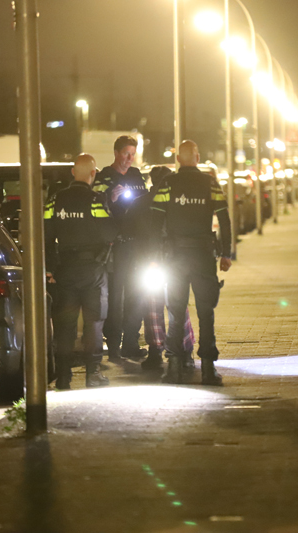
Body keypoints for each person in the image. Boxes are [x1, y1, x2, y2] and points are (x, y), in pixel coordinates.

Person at [151, 141, 232, 385]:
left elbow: (155, 220)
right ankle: (208, 369)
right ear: (197, 157)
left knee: (175, 311)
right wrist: (226, 253)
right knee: (206, 312)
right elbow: (225, 219)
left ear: (177, 159)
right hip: (203, 255)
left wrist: (155, 256)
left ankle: (173, 368)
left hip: (174, 257)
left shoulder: (167, 183)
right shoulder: (210, 183)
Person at [45, 154, 120, 389]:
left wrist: (49, 269)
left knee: (65, 324)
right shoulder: (96, 200)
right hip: (92, 271)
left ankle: (64, 376)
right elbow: (109, 234)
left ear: (72, 173)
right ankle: (92, 373)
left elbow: (45, 236)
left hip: (64, 270)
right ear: (93, 174)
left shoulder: (55, 200)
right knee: (94, 322)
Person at [127, 165, 197, 374]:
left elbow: (127, 231)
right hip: (174, 261)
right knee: (178, 306)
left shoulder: (139, 204)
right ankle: (185, 351)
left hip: (148, 262)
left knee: (152, 307)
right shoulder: (177, 202)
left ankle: (156, 350)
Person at [93, 135, 149, 362]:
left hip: (136, 244)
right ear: (116, 153)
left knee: (138, 293)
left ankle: (132, 343)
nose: (129, 158)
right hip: (116, 247)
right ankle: (114, 344)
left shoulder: (136, 176)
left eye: (132, 154)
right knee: (115, 297)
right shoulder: (104, 177)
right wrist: (110, 198)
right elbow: (94, 204)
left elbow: (145, 201)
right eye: (126, 154)